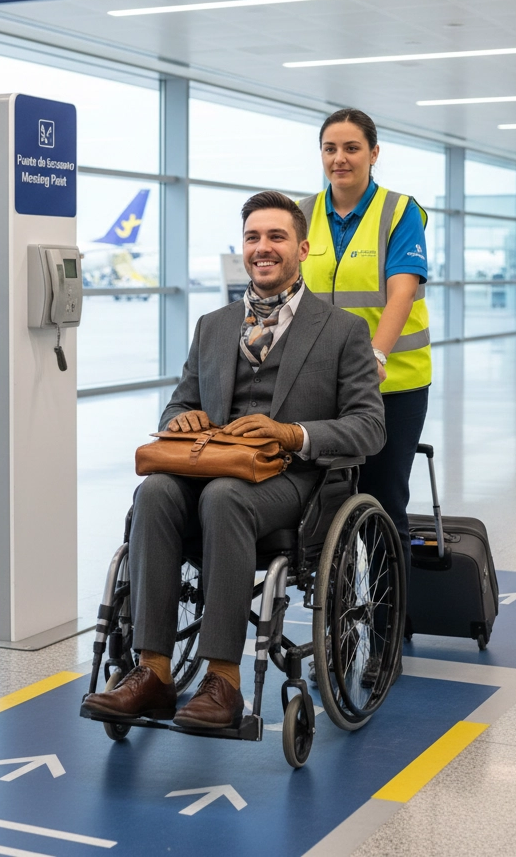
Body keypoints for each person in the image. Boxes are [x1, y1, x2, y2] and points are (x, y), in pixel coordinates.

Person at [81, 191, 385, 731]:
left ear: (303, 248)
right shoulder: (214, 325)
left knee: (224, 498)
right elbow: (181, 400)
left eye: (276, 237)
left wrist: (291, 433)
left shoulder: (342, 331)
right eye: (252, 237)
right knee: (153, 492)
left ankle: (223, 679)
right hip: (212, 465)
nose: (262, 248)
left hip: (296, 484)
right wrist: (182, 420)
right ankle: (153, 672)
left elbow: (369, 426)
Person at [296, 108, 431, 565]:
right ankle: (333, 614)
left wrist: (375, 354)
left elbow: (402, 291)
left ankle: (389, 619)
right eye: (330, 148)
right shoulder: (303, 213)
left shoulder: (399, 211)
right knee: (318, 502)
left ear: (373, 154)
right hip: (319, 383)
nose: (340, 158)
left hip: (392, 383)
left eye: (352, 148)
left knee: (382, 503)